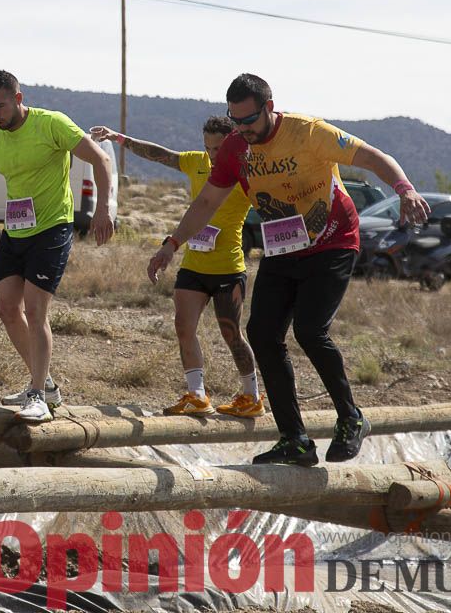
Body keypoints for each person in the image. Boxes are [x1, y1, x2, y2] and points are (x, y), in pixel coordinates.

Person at [148, 73, 430, 466]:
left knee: (310, 331)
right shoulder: (233, 147)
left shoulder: (308, 132)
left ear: (268, 107)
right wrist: (171, 244)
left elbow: (373, 157)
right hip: (284, 244)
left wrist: (405, 189)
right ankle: (294, 438)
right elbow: (207, 201)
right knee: (262, 332)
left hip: (332, 238)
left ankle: (351, 418)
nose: (242, 129)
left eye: (248, 120)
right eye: (235, 120)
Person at [0, 70, 114, 423]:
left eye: (0, 106)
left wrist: (104, 208)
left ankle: (38, 397)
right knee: (6, 308)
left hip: (52, 228)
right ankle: (44, 383)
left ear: (18, 98)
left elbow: (101, 159)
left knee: (35, 311)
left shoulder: (52, 125)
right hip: (15, 231)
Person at [91, 118, 263, 418]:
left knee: (231, 333)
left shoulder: (244, 169)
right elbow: (160, 154)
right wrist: (120, 138)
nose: (211, 154)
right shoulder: (196, 162)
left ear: (233, 143)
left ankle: (252, 396)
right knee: (184, 326)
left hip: (228, 267)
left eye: (218, 148)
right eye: (207, 147)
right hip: (194, 263)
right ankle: (197, 395)